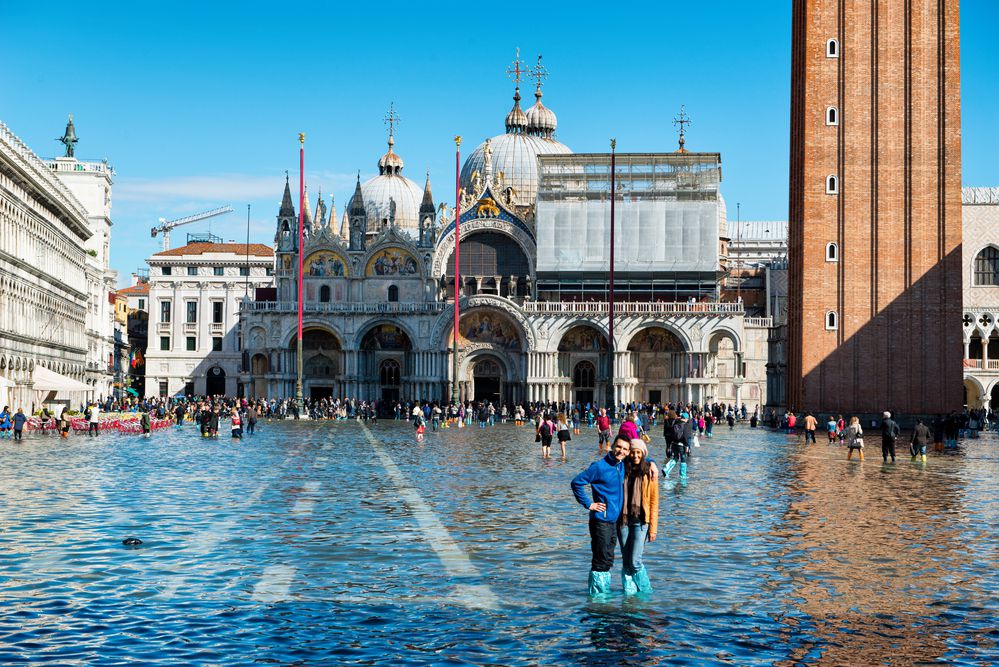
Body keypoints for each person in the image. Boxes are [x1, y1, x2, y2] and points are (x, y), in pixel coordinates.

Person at [571, 435, 631, 596]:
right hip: (600, 521)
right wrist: (589, 504)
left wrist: (652, 463)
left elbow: (642, 456)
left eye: (625, 449)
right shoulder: (599, 467)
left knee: (608, 558)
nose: (621, 451)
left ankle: (600, 594)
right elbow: (576, 482)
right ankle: (597, 598)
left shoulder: (622, 465)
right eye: (618, 447)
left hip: (613, 521)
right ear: (612, 446)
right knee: (601, 559)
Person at [618, 439, 659, 595]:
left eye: (638, 452)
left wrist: (653, 529)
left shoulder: (649, 472)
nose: (635, 455)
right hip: (623, 520)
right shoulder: (622, 468)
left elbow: (654, 502)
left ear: (643, 454)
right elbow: (613, 454)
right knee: (626, 561)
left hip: (641, 521)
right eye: (632, 452)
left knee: (635, 562)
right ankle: (630, 597)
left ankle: (646, 593)